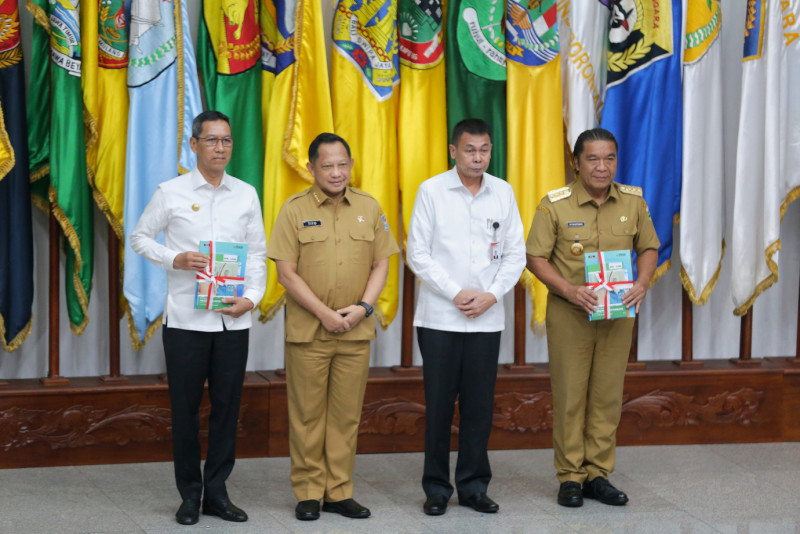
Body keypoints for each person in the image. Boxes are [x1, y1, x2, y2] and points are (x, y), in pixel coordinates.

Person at [130, 110, 267, 525]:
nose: (220, 148)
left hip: (232, 321)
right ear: (194, 144)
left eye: (226, 140)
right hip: (186, 322)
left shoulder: (246, 194)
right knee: (185, 411)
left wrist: (252, 298)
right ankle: (190, 495)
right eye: (211, 140)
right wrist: (174, 257)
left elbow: (257, 254)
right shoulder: (170, 192)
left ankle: (218, 493)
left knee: (227, 409)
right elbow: (139, 238)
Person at [268, 132, 399, 521]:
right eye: (327, 165)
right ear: (312, 168)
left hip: (355, 331)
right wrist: (324, 314)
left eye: (343, 164)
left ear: (351, 165)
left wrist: (364, 307)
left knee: (346, 416)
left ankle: (339, 491)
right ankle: (309, 492)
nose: (337, 172)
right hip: (309, 333)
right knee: (307, 416)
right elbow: (286, 273)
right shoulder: (293, 209)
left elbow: (382, 263)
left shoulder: (369, 207)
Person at [525, 128, 659, 508]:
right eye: (593, 159)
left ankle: (598, 474)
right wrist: (568, 290)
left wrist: (642, 282)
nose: (602, 167)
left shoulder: (633, 201)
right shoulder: (555, 205)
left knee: (607, 396)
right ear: (576, 162)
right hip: (571, 313)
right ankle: (570, 476)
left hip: (618, 314)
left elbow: (649, 247)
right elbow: (534, 257)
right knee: (570, 396)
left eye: (609, 158)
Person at [406, 118, 526, 516]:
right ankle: (437, 488)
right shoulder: (432, 190)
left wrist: (491, 295)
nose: (478, 157)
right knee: (439, 406)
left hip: (486, 318)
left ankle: (474, 486)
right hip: (440, 317)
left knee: (479, 406)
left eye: (484, 150)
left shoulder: (503, 192)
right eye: (470, 150)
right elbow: (417, 253)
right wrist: (456, 292)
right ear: (453, 151)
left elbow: (515, 254)